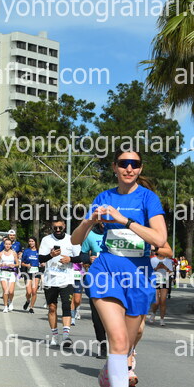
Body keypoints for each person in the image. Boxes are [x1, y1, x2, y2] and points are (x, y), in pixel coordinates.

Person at [72, 150, 167, 387]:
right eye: (124, 163)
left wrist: (123, 219)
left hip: (138, 277)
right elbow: (75, 240)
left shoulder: (148, 199)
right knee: (118, 339)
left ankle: (109, 372)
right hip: (105, 272)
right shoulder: (104, 197)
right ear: (115, 167)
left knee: (126, 345)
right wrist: (89, 220)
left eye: (135, 164)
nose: (129, 168)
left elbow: (160, 239)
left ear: (140, 168)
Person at [40, 219, 81, 347]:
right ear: (52, 228)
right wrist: (50, 255)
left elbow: (81, 257)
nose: (58, 230)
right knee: (52, 308)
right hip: (50, 279)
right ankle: (55, 335)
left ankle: (66, 336)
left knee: (66, 306)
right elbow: (40, 258)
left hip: (66, 279)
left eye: (60, 227)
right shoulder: (46, 240)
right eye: (55, 228)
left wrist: (70, 259)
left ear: (64, 227)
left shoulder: (72, 239)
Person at [80, 222, 107, 358]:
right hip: (96, 280)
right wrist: (89, 259)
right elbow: (82, 254)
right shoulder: (91, 235)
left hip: (116, 279)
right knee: (97, 317)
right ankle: (103, 346)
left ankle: (118, 347)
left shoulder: (118, 233)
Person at [148, 243, 174, 326]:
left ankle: (162, 319)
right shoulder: (152, 260)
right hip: (155, 280)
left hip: (164, 281)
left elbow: (171, 272)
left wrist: (165, 268)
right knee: (156, 301)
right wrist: (157, 268)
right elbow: (149, 271)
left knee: (163, 301)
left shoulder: (168, 261)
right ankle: (153, 313)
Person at [0, 238, 19, 311]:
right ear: (4, 244)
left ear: (11, 245)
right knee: (6, 291)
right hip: (3, 273)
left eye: (9, 244)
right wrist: (1, 265)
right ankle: (5, 306)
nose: (7, 246)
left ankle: (10, 301)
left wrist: (13, 265)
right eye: (6, 244)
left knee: (11, 291)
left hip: (11, 273)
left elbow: (18, 264)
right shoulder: (1, 253)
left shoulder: (14, 253)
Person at [21, 237, 40, 313]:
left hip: (36, 272)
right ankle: (28, 300)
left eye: (32, 241)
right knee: (29, 292)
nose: (31, 243)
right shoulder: (26, 251)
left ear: (35, 242)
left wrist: (42, 264)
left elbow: (42, 260)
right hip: (28, 272)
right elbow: (22, 263)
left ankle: (31, 307)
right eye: (30, 241)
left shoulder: (39, 251)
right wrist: (27, 265)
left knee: (34, 291)